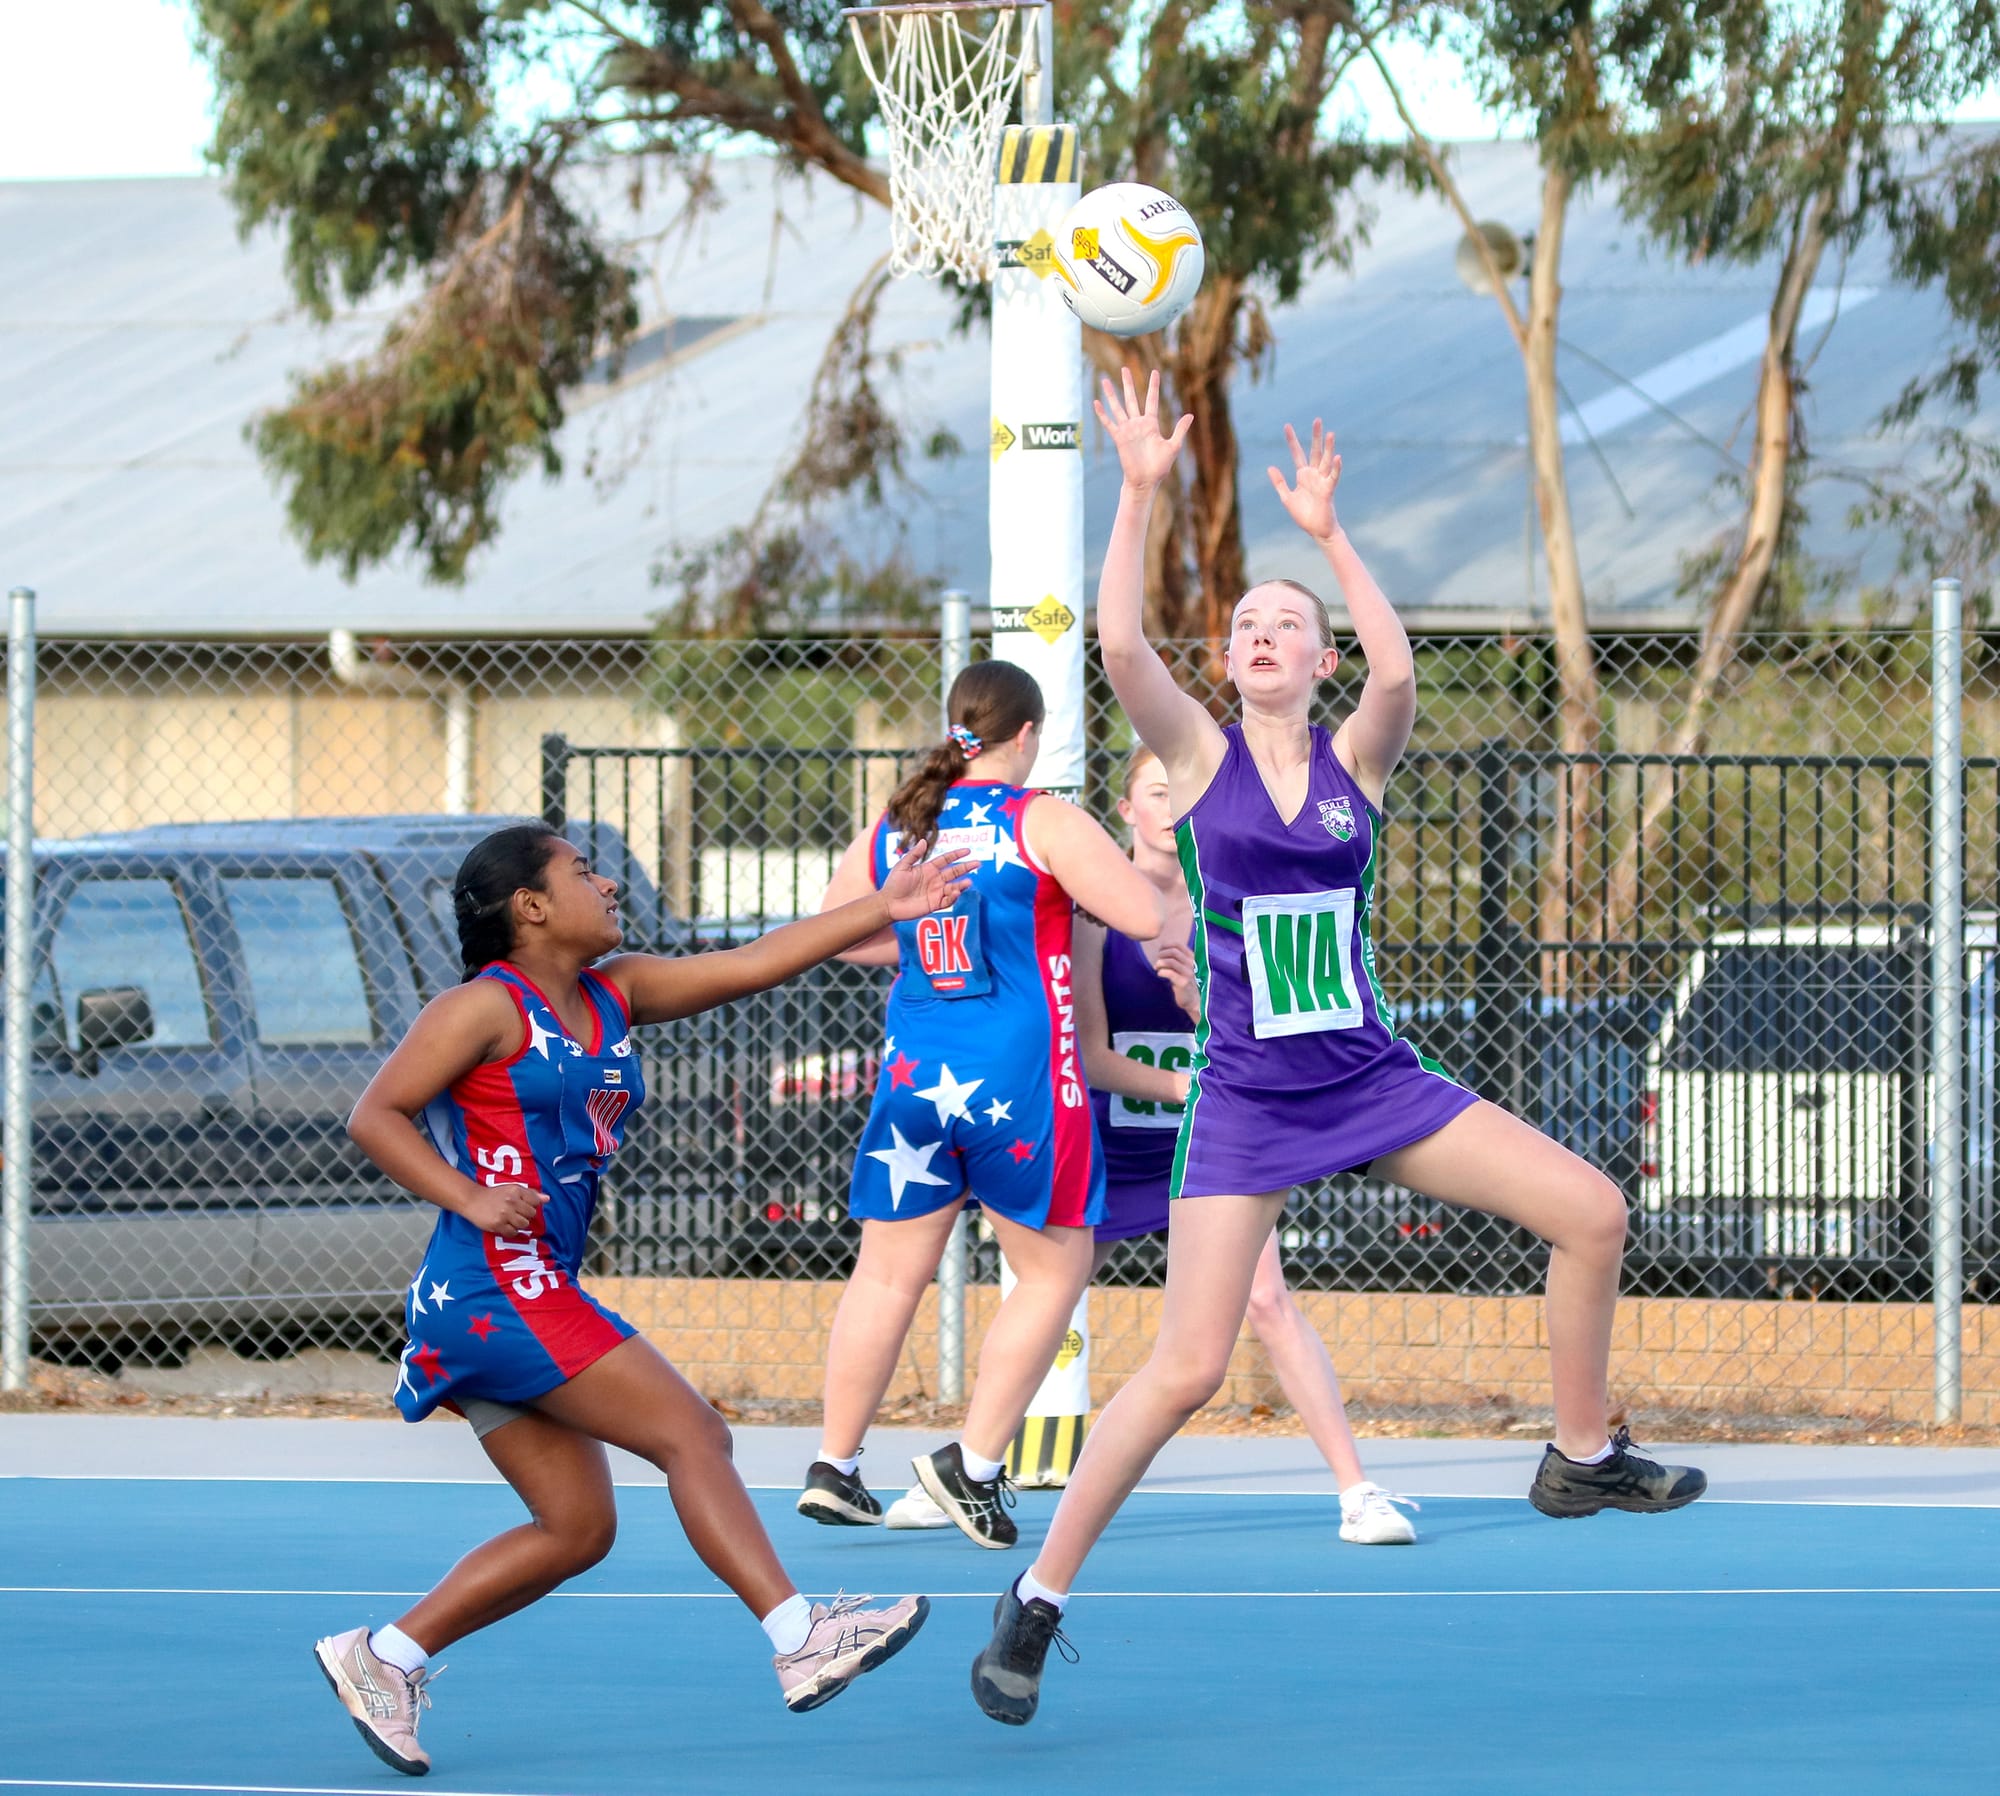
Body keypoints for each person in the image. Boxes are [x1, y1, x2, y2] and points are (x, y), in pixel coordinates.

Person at [971, 373, 1706, 1726]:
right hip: (1246, 1099)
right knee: (1189, 1365)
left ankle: (1580, 1451)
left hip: (1373, 1081)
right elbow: (1123, 643)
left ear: (1320, 664)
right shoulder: (1194, 763)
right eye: (1247, 623)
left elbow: (1406, 670)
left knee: (1594, 1212)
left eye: (1288, 624)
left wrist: (1332, 536)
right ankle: (1035, 1604)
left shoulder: (1359, 764)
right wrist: (1137, 490)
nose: (1262, 633)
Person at [315, 821, 968, 1776]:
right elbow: (376, 1112)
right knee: (694, 1436)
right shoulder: (482, 1008)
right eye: (582, 871)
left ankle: (384, 1659)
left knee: (578, 1529)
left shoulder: (614, 992)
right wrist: (467, 1193)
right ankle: (799, 1637)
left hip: (523, 1290)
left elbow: (748, 965)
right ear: (530, 906)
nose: (607, 881)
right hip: (496, 1286)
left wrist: (884, 907)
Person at [796, 661, 1164, 1549]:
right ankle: (976, 1464)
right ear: (1028, 736)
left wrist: (917, 940)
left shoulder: (902, 822)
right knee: (1053, 1272)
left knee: (885, 1273)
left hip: (917, 1072)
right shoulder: (1042, 818)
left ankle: (835, 1466)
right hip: (1021, 1079)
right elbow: (1142, 914)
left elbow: (836, 928)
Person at [1078, 743, 1418, 1547]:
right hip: (1124, 1138)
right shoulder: (1095, 917)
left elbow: (1258, 1035)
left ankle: (1357, 1490)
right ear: (1127, 811)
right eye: (1151, 794)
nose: (1166, 809)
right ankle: (976, 1461)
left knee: (1266, 1300)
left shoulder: (1221, 904)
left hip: (1218, 1138)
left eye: (1177, 793)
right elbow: (1090, 1054)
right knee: (1052, 1287)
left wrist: (1195, 998)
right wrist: (1179, 1086)